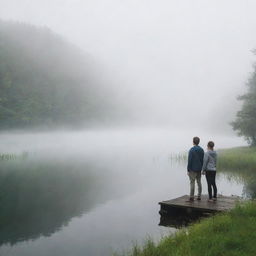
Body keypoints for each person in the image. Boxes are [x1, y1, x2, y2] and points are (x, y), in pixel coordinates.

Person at [187, 137, 204, 202]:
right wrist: (202, 168)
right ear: (198, 142)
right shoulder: (201, 150)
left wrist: (188, 169)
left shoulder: (191, 150)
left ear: (193, 142)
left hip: (192, 169)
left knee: (192, 182)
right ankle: (199, 196)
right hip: (199, 169)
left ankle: (191, 197)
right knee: (199, 182)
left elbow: (189, 160)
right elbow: (203, 159)